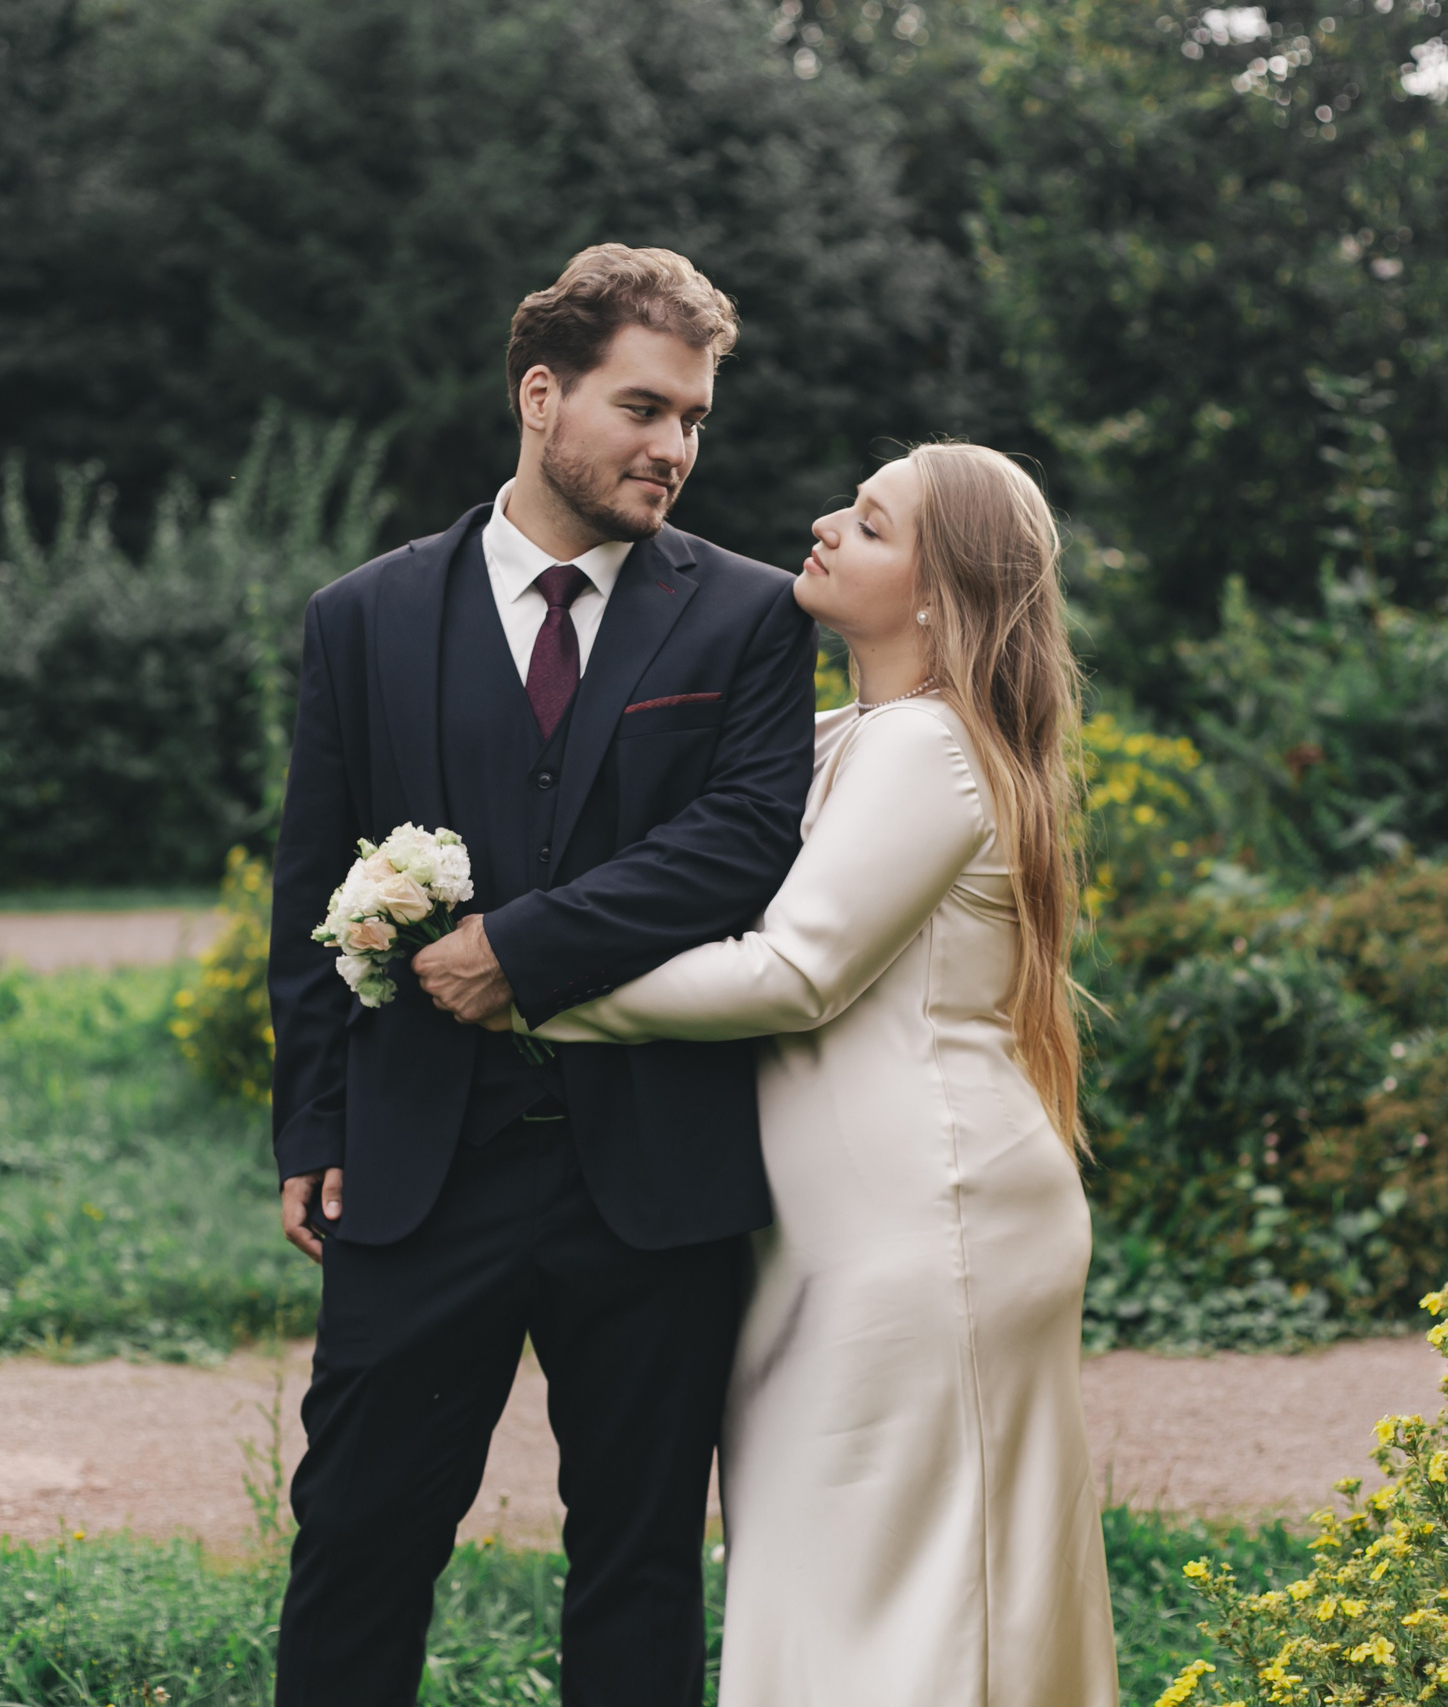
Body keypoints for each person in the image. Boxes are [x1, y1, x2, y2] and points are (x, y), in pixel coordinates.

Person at [261, 243, 816, 1706]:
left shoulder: (748, 615)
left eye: (694, 418)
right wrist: (311, 1127)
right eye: (644, 408)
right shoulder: (362, 617)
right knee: (360, 1537)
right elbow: (309, 878)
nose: (675, 448)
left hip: (655, 1176)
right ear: (540, 393)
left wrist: (522, 947)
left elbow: (746, 840)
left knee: (635, 1563)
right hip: (417, 1161)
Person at [505, 443, 1119, 1704]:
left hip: (926, 1220)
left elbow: (792, 973)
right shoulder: (850, 735)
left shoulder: (927, 751)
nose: (826, 521)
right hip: (845, 1226)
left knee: (914, 1600)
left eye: (874, 524)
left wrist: (530, 995)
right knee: (839, 1578)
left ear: (939, 596)